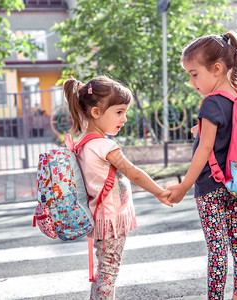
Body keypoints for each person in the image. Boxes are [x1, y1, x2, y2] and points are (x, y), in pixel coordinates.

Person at [63, 75, 172, 300]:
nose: (124, 118)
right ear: (96, 113)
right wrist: (159, 191)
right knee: (109, 270)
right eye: (119, 112)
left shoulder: (83, 144)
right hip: (111, 219)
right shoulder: (105, 146)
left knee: (104, 269)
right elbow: (133, 173)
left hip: (99, 218)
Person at [167, 31, 237, 300]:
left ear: (216, 69)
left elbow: (204, 151)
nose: (191, 82)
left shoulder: (210, 103)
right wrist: (201, 128)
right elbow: (229, 134)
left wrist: (183, 186)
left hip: (209, 188)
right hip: (232, 184)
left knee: (216, 249)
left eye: (194, 74)